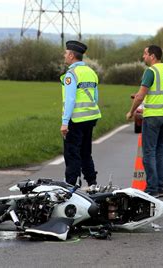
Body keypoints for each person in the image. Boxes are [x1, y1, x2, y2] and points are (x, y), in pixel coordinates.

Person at [126, 45, 163, 198]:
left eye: (145, 54)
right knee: (161, 152)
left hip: (153, 116)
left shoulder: (150, 71)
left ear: (153, 56)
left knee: (149, 153)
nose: (143, 57)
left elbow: (141, 96)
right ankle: (160, 188)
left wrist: (131, 111)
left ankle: (151, 189)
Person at [60, 40, 101, 186]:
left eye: (66, 53)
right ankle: (92, 182)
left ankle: (71, 184)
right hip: (91, 117)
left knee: (72, 153)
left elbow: (70, 99)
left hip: (76, 119)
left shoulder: (71, 74)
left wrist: (65, 123)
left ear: (71, 55)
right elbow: (96, 97)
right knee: (85, 152)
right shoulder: (91, 72)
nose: (64, 55)